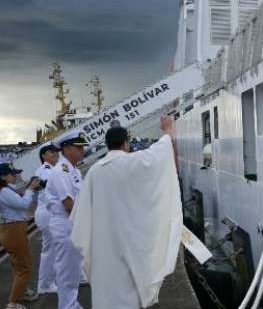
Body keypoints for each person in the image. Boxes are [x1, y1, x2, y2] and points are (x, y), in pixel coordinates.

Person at [71, 116, 183, 308]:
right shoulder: (133, 163)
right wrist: (167, 130)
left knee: (107, 287)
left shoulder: (94, 171)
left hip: (103, 242)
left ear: (107, 145)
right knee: (130, 287)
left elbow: (80, 214)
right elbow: (160, 154)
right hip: (131, 239)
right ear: (126, 143)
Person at [0, 163, 43, 309]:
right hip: (14, 231)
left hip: (12, 230)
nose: (15, 175)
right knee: (25, 267)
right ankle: (12, 303)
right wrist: (31, 189)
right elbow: (23, 204)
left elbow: (19, 199)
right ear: (3, 176)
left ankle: (22, 290)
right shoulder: (4, 191)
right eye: (12, 174)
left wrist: (29, 188)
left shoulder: (4, 189)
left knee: (19, 265)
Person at [45, 130, 88, 309]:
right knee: (67, 273)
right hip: (65, 224)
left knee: (73, 270)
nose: (82, 151)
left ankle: (72, 305)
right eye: (78, 148)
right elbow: (69, 203)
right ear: (67, 148)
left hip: (72, 223)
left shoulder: (73, 170)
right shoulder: (61, 172)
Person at [35, 142, 60, 295]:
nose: (56, 154)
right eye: (52, 152)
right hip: (47, 213)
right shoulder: (45, 170)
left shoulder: (52, 169)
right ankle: (45, 284)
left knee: (57, 248)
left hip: (51, 212)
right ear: (44, 155)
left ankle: (52, 280)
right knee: (49, 250)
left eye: (56, 152)